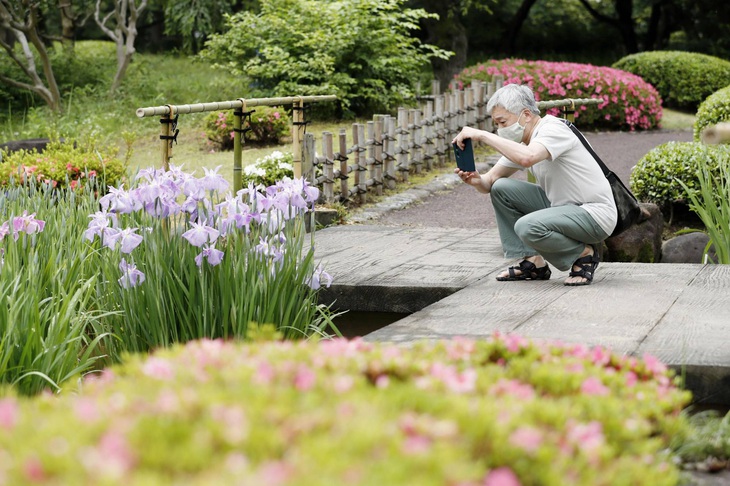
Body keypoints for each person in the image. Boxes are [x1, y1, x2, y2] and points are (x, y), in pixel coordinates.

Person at [452, 83, 617, 286]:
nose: (500, 129)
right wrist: (477, 180)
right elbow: (490, 183)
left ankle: (584, 255)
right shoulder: (525, 142)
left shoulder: (553, 129)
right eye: (496, 124)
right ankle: (533, 262)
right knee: (501, 188)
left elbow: (527, 158)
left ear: (527, 115)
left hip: (594, 214)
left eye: (503, 122)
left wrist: (483, 135)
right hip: (562, 209)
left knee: (527, 226)